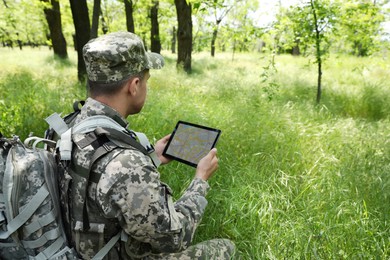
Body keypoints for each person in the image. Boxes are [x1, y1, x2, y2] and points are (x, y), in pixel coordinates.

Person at [62, 31, 236, 259]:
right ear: (134, 85)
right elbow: (174, 237)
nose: (145, 87)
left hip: (74, 248)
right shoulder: (125, 163)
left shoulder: (68, 127)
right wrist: (200, 181)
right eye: (146, 81)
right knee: (226, 248)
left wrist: (152, 156)